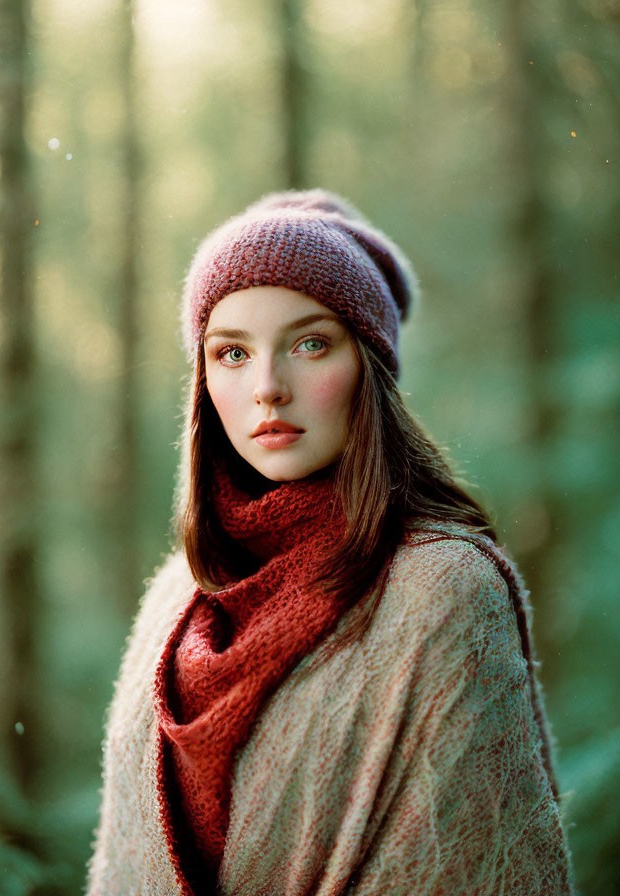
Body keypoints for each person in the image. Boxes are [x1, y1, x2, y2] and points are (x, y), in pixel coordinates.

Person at [87, 190, 576, 895]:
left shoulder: (443, 589)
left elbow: (476, 861)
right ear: (202, 383)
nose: (266, 388)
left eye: (310, 343)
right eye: (230, 353)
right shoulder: (174, 600)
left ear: (367, 365)